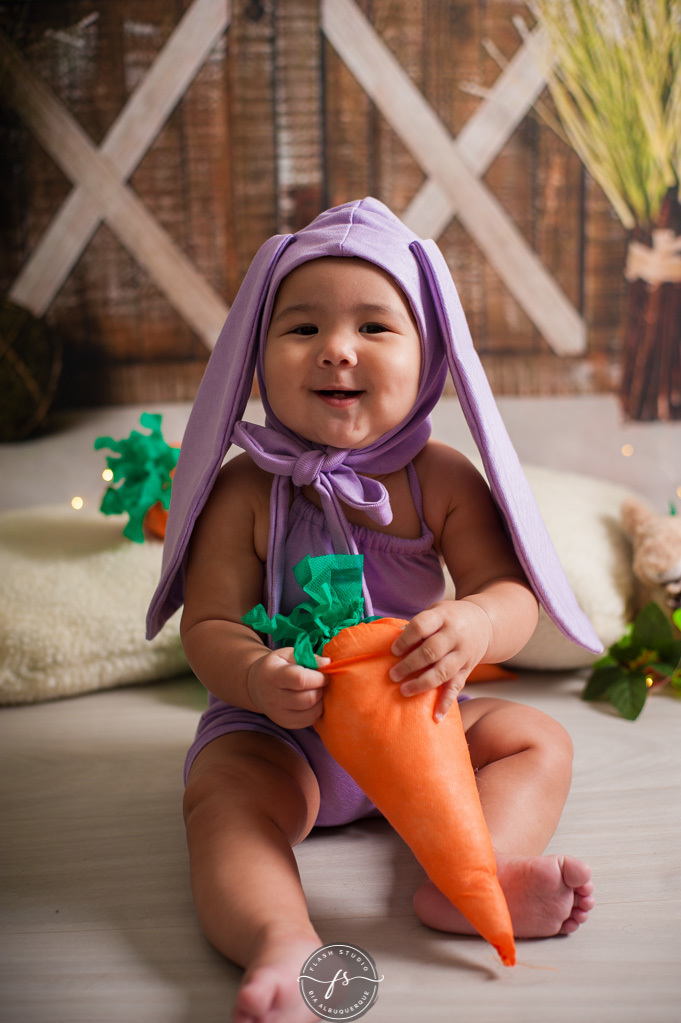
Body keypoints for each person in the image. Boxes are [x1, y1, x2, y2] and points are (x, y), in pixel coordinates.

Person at [148, 200, 597, 1023]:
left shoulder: (443, 479)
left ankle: (471, 871)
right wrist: (254, 674)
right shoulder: (246, 490)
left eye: (374, 327)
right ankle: (280, 935)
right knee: (223, 799)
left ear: (429, 356)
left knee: (538, 738)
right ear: (256, 354)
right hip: (284, 734)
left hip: (422, 723)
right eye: (302, 327)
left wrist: (473, 626)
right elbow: (206, 624)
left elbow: (510, 597)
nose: (336, 348)